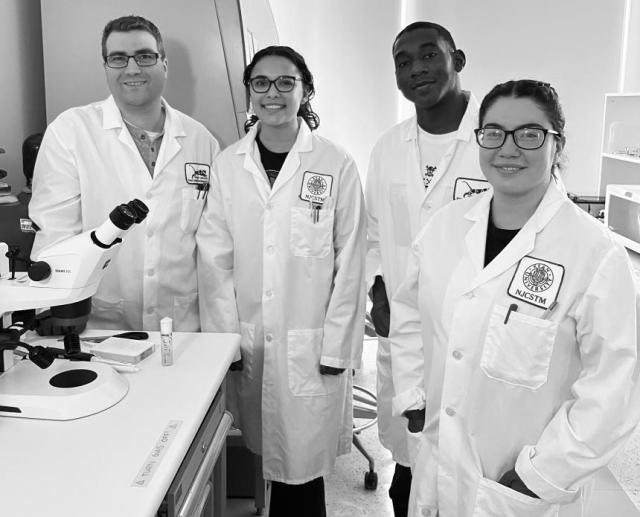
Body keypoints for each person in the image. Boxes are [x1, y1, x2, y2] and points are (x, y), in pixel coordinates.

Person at [390, 79, 640, 516]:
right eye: (494, 133)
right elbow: (411, 313)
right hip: (437, 462)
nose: (508, 149)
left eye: (530, 134)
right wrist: (413, 395)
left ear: (556, 144)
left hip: (518, 487)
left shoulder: (594, 253)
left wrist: (543, 474)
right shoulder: (446, 228)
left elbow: (616, 388)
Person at [196, 46, 366, 516]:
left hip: (311, 345)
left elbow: (351, 261)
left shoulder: (335, 164)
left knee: (302, 470)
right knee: (263, 450)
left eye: (286, 82)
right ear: (249, 94)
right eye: (261, 84)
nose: (273, 93)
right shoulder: (229, 165)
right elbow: (215, 260)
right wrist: (225, 344)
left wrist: (337, 348)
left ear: (305, 90)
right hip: (251, 340)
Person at [365, 21, 488, 516]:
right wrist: (378, 294)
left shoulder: (494, 140)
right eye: (403, 61)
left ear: (457, 60)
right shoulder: (388, 149)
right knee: (411, 460)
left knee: (472, 463)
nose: (416, 68)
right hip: (405, 332)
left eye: (429, 55)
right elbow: (375, 234)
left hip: (473, 331)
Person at [29, 15, 219, 331]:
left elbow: (214, 240)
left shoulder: (202, 140)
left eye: (145, 56)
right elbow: (54, 229)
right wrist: (54, 308)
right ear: (106, 68)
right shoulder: (71, 131)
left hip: (183, 323)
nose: (132, 69)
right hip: (98, 321)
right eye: (118, 59)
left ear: (164, 65)